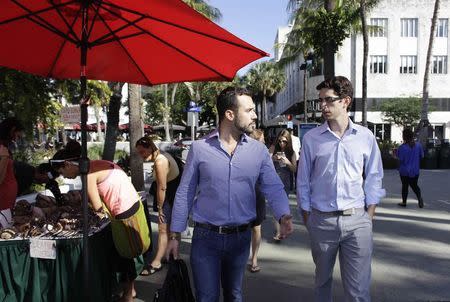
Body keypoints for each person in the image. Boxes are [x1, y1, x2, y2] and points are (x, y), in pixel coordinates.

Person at [166, 86, 294, 302]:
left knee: (234, 295)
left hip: (241, 238)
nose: (255, 115)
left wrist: (284, 214)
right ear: (229, 114)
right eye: (250, 110)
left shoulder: (259, 151)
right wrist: (174, 234)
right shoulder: (199, 148)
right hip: (206, 239)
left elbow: (272, 186)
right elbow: (185, 192)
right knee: (207, 298)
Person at [297, 76, 385, 302]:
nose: (323, 106)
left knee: (358, 291)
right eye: (320, 101)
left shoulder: (365, 137)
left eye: (329, 100)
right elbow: (303, 181)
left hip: (357, 221)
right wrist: (308, 217)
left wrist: (369, 215)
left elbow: (374, 176)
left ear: (345, 101)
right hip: (322, 221)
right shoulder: (312, 139)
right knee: (322, 284)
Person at [51, 142, 148, 302]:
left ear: (68, 164)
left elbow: (97, 207)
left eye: (62, 172)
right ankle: (130, 291)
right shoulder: (96, 164)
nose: (64, 176)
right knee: (126, 255)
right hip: (131, 204)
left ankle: (128, 295)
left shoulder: (88, 174)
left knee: (124, 255)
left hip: (123, 211)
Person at [135, 136, 182, 275]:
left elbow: (162, 188)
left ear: (150, 147)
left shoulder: (160, 161)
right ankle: (173, 256)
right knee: (173, 228)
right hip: (175, 195)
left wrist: (160, 209)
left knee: (163, 229)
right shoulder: (162, 154)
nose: (141, 156)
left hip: (170, 196)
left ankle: (157, 262)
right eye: (139, 153)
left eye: (142, 152)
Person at [269, 129, 298, 242]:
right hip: (274, 182)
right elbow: (265, 161)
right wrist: (272, 158)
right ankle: (278, 232)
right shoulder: (273, 148)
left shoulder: (292, 153)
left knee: (284, 208)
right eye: (280, 141)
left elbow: (294, 169)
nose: (282, 144)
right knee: (276, 207)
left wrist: (287, 162)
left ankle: (284, 228)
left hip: (285, 183)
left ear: (288, 142)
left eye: (285, 141)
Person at [248, 128, 266, 273]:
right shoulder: (243, 154)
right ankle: (243, 257)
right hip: (244, 195)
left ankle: (254, 258)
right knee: (244, 228)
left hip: (258, 195)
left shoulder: (264, 155)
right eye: (262, 140)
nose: (264, 142)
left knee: (256, 228)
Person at [0, 117, 24, 212]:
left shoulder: (4, 147)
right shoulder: (2, 149)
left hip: (7, 202)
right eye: (17, 136)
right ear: (12, 130)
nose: (16, 140)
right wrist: (4, 158)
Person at [396, 128, 424, 208]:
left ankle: (404, 202)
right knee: (415, 185)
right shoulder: (418, 145)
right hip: (415, 170)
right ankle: (419, 198)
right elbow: (422, 156)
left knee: (405, 186)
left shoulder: (402, 148)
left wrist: (397, 167)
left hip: (404, 171)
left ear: (404, 137)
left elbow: (400, 160)